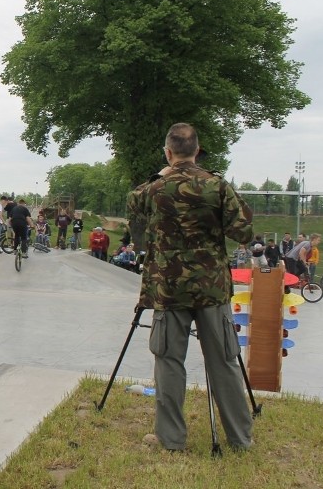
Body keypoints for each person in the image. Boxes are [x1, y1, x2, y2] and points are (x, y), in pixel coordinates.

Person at [127, 122, 253, 452]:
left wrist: (163, 174)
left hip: (169, 290)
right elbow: (244, 232)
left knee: (169, 361)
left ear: (168, 152)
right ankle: (240, 439)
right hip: (212, 288)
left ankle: (170, 439)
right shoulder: (218, 186)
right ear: (197, 151)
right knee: (224, 361)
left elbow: (133, 207)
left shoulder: (153, 188)